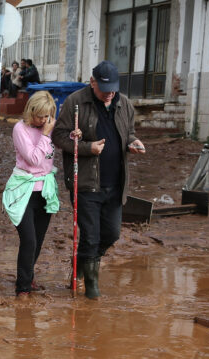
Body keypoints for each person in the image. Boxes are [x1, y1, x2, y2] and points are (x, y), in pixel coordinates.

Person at [52, 60, 144, 299]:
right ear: (92, 82)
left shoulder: (124, 104)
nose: (110, 94)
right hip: (85, 184)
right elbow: (59, 136)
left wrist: (133, 143)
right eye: (105, 89)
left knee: (111, 233)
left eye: (113, 88)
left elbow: (128, 132)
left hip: (115, 184)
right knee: (90, 236)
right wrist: (86, 147)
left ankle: (81, 265)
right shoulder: (75, 102)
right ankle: (91, 288)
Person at [2, 91, 60, 298]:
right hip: (24, 190)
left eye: (47, 116)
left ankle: (29, 275)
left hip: (45, 190)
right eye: (39, 116)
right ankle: (22, 288)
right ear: (31, 111)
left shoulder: (49, 127)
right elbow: (34, 159)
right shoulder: (21, 129)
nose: (43, 120)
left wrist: (73, 135)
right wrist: (45, 134)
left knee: (39, 238)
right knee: (29, 240)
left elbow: (59, 144)